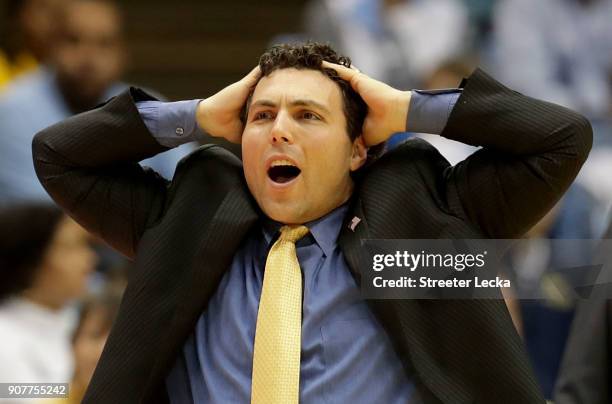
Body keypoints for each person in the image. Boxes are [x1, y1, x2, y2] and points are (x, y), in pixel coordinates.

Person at [32, 42, 592, 403]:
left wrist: (405, 109)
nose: (279, 130)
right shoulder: (190, 213)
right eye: (261, 115)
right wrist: (198, 115)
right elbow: (59, 155)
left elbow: (561, 139)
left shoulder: (420, 214)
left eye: (307, 115)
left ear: (356, 150)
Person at [0, 0, 194, 205]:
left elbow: (190, 185)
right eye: (74, 40)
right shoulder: (12, 110)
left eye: (104, 43)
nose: (88, 57)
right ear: (51, 46)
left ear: (124, 54)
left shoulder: (148, 106)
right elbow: (49, 213)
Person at [0, 203, 97, 403]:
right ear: (33, 260)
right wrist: (81, 384)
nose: (90, 259)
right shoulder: (5, 336)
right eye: (73, 247)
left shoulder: (84, 317)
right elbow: (13, 392)